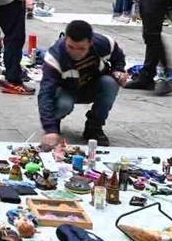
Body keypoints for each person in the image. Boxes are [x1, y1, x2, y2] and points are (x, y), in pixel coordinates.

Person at [37, 20, 127, 148]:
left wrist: (118, 70)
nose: (76, 52)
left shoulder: (103, 43)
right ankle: (55, 121)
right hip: (65, 90)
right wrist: (49, 129)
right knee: (64, 104)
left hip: (92, 85)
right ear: (66, 40)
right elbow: (45, 93)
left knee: (110, 83)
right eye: (71, 47)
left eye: (81, 48)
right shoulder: (55, 56)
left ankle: (94, 127)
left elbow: (117, 55)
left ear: (90, 42)